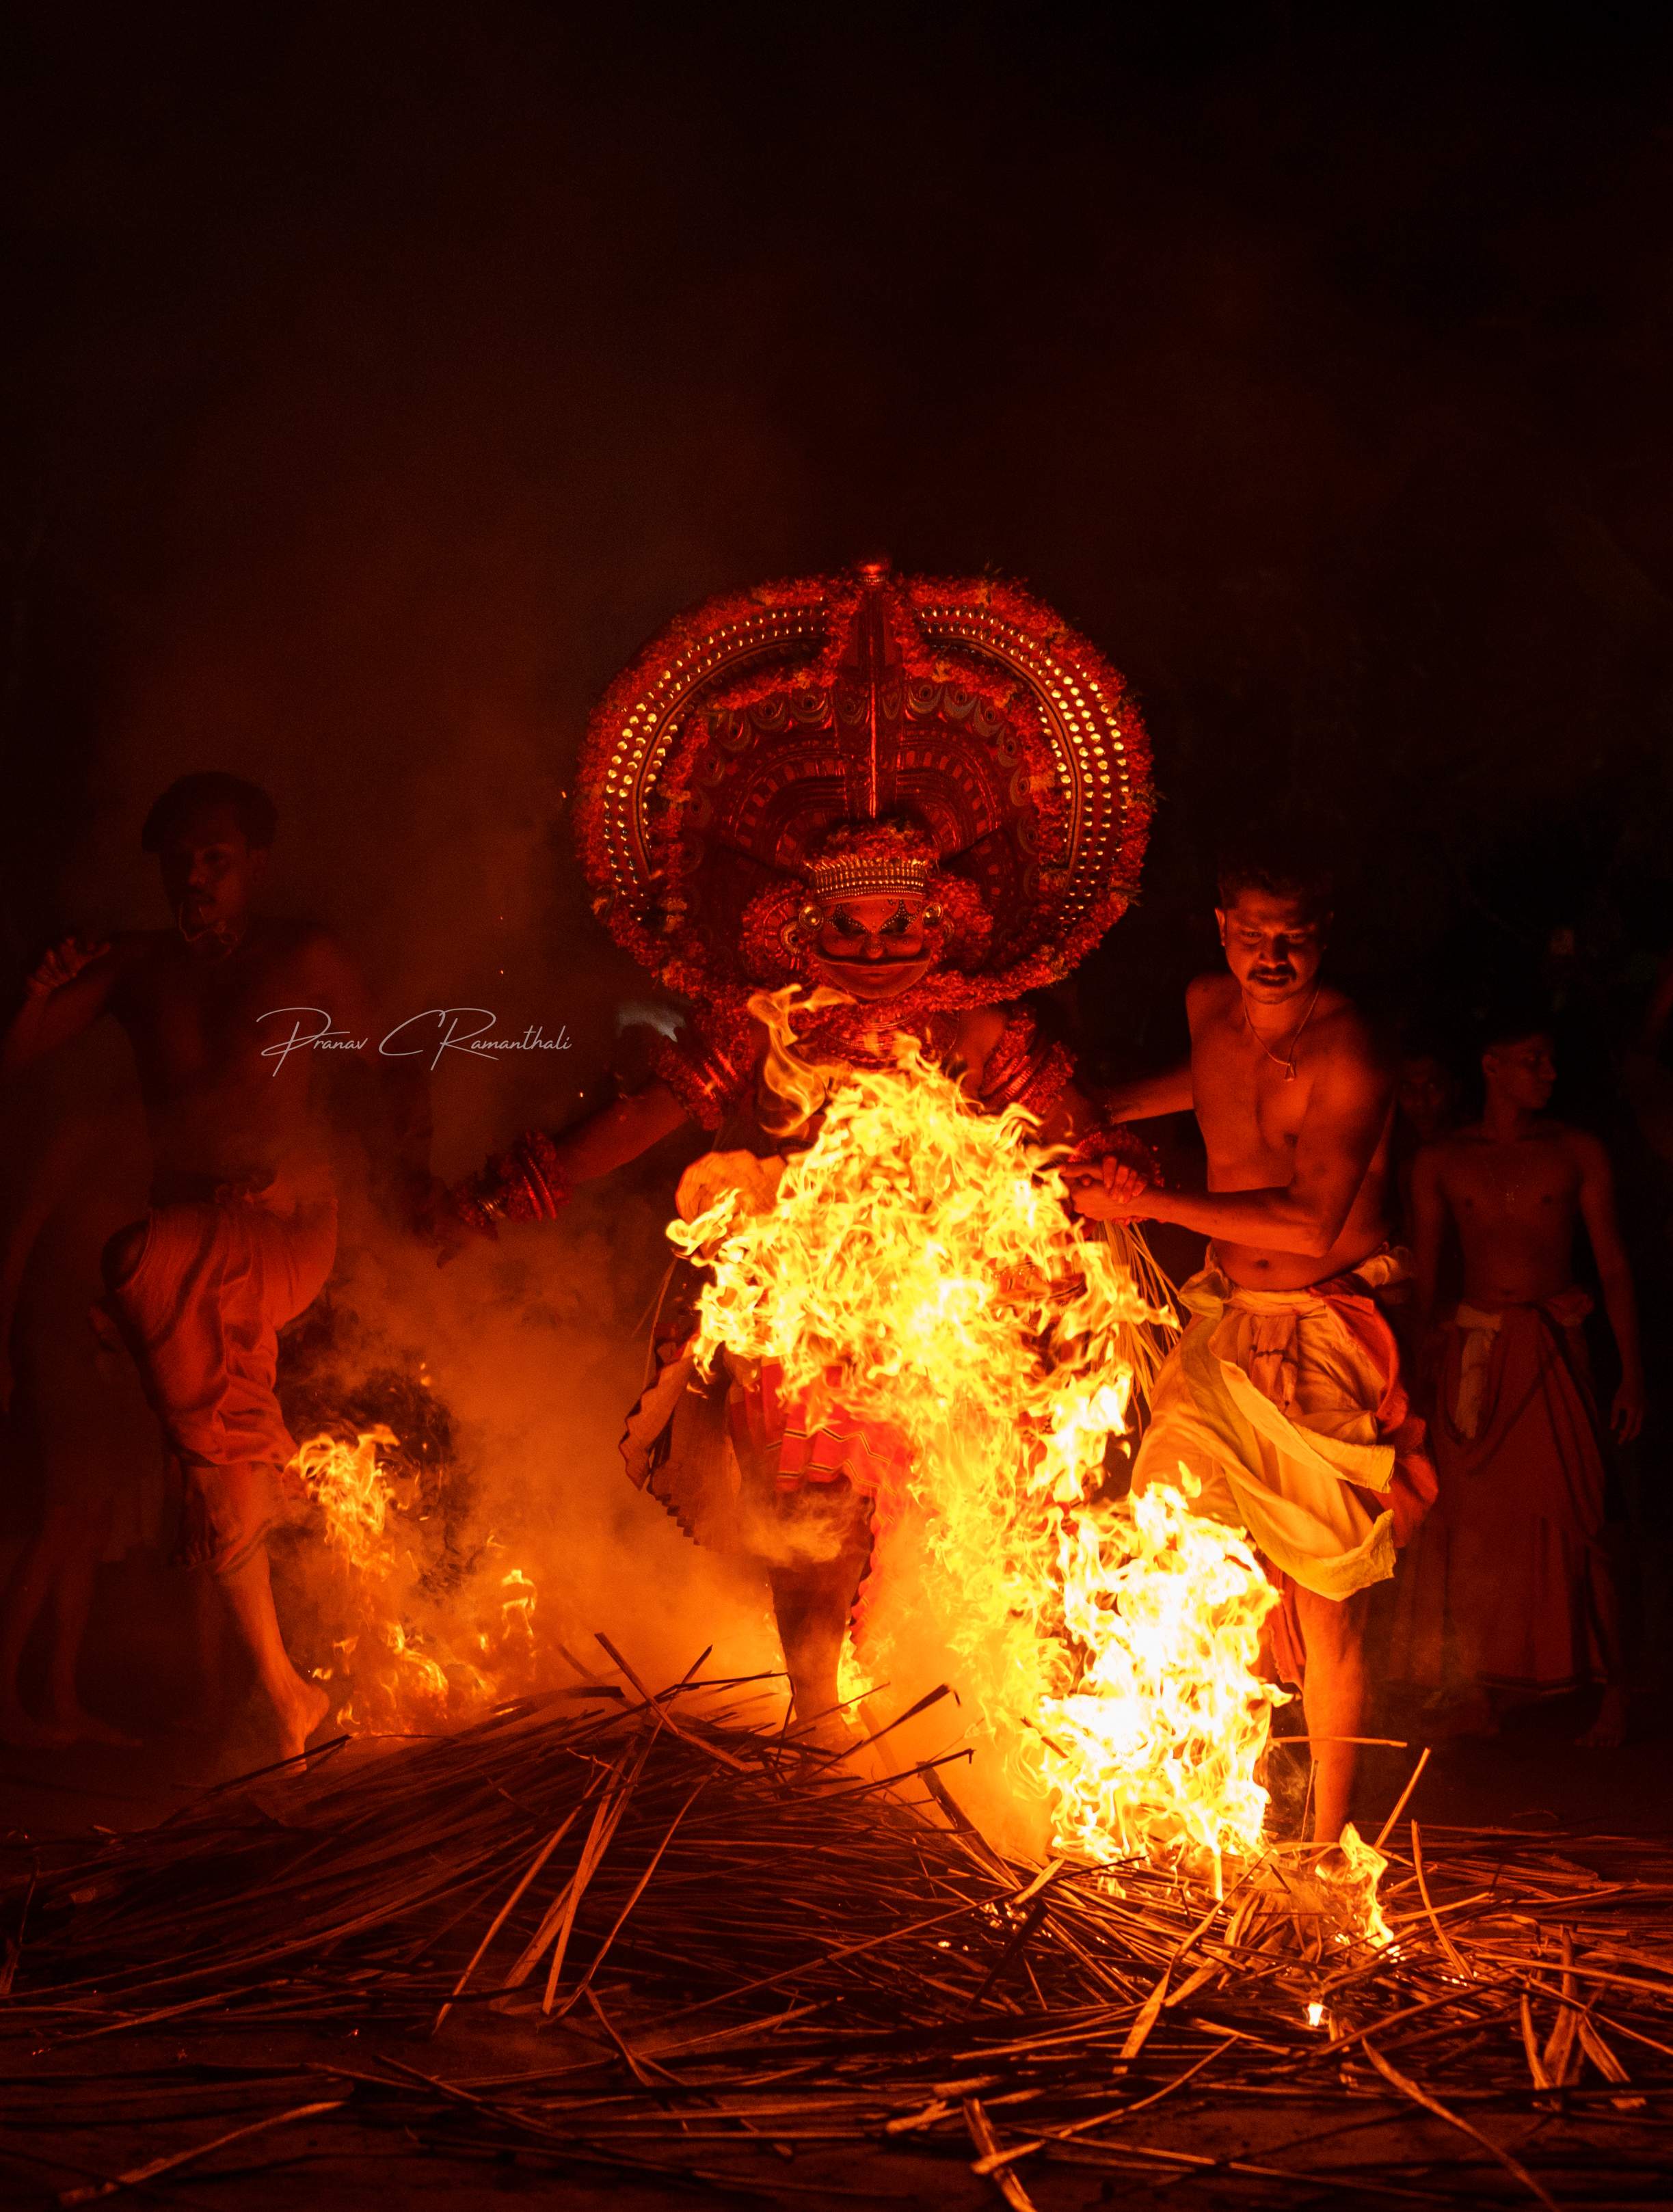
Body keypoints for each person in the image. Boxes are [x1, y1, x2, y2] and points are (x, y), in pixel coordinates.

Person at [449, 561, 1156, 1740]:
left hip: (951, 1307)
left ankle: (951, 1724)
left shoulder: (972, 1024)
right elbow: (655, 1109)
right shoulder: (762, 1015)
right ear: (803, 922)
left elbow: (1075, 1133)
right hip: (799, 1309)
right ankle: (814, 1714)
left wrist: (1122, 1184)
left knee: (953, 1513)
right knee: (809, 1506)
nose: (874, 948)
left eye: (897, 926)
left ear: (941, 922)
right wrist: (531, 1181)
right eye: (849, 926)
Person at [0, 772, 436, 1759]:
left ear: (254, 868)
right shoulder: (137, 968)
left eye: (216, 860)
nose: (195, 878)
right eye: (180, 861)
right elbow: (17, 1057)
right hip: (186, 1240)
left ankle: (269, 1657)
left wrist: (417, 1188)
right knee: (214, 1463)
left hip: (282, 1227)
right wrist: (33, 994)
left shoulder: (303, 954)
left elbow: (395, 1060)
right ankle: (285, 1692)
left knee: (140, 1261)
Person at [1072, 833, 1436, 1844]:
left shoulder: (1347, 1048)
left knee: (1325, 1608)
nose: (1270, 957)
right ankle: (1176, 1805)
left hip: (1320, 1333)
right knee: (1162, 1536)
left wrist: (1145, 1194)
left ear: (1321, 942)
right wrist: (1092, 1114)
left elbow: (1309, 1223)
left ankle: (1326, 1850)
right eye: (1253, 936)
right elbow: (1211, 1084)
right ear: (1221, 932)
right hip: (1221, 1327)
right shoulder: (1206, 1008)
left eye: (1293, 939)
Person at [1394, 1019, 1640, 1745]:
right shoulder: (1442, 1160)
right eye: (1533, 1060)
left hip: (1553, 1346)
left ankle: (1614, 1694)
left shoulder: (1573, 1152)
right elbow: (1427, 1272)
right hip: (1474, 1346)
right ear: (1492, 1064)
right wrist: (1415, 1375)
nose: (1548, 1073)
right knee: (1470, 1526)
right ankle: (1479, 1691)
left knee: (1581, 1520)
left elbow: (1614, 1266)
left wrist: (1630, 1375)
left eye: (1551, 1060)